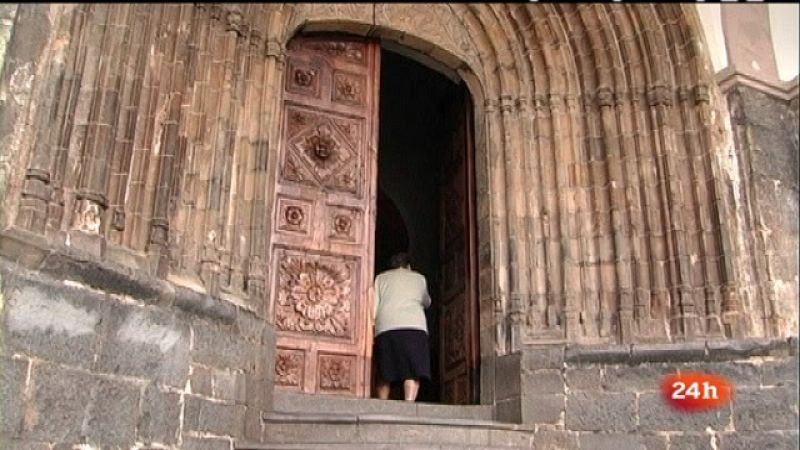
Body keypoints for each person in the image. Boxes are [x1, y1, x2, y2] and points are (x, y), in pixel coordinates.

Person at [372, 252, 432, 402]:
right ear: (408, 266)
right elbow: (426, 301)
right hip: (413, 327)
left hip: (386, 327)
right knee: (411, 371)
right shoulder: (419, 278)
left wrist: (372, 326)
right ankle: (409, 403)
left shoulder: (381, 278)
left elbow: (374, 306)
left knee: (385, 372)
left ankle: (382, 403)